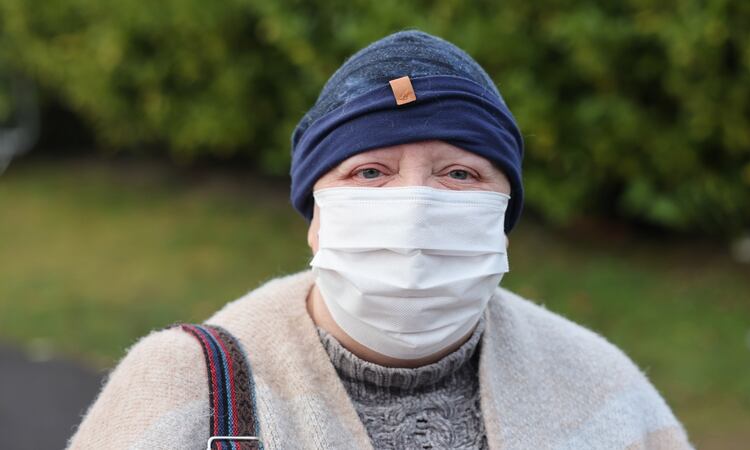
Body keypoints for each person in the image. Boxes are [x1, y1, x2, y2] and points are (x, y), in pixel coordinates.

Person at [68, 30, 692, 449]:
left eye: (459, 173)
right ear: (316, 213)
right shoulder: (185, 389)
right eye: (370, 172)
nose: (414, 209)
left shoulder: (603, 387)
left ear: (503, 215)